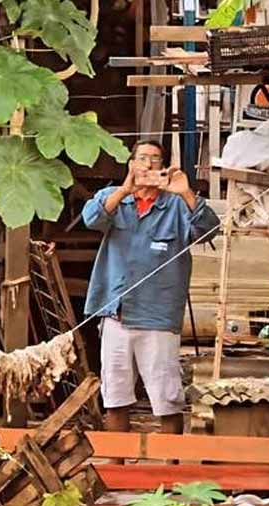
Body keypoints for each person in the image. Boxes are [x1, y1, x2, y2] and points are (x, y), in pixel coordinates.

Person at [82, 140, 220, 434]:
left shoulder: (177, 205)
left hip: (158, 318)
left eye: (156, 159)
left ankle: (169, 472)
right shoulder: (115, 198)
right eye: (142, 158)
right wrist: (124, 189)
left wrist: (185, 192)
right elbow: (90, 219)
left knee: (167, 398)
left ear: (164, 167)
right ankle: (117, 467)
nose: (148, 164)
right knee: (115, 397)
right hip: (116, 314)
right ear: (131, 164)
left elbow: (210, 229)